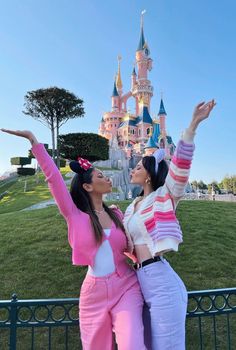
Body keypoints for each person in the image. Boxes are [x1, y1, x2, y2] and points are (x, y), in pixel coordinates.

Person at [0, 129, 146, 350]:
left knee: (132, 343)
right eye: (99, 176)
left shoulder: (117, 214)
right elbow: (54, 179)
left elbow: (133, 246)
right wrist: (34, 140)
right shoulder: (75, 215)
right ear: (88, 187)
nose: (107, 178)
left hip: (126, 286)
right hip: (93, 294)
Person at [123, 100, 216, 350]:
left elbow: (180, 170)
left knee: (167, 346)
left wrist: (193, 125)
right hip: (137, 280)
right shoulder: (131, 208)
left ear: (149, 175)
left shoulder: (164, 197)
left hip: (161, 281)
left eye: (139, 167)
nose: (133, 169)